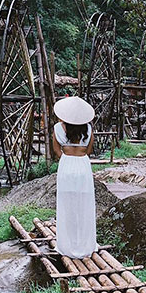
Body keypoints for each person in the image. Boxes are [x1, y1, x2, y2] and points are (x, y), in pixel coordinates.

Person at [52, 96, 98, 258]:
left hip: (66, 165)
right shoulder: (88, 129)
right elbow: (89, 151)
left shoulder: (58, 128)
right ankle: (85, 244)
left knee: (67, 205)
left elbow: (56, 150)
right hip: (83, 165)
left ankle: (67, 245)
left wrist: (66, 158)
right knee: (84, 204)